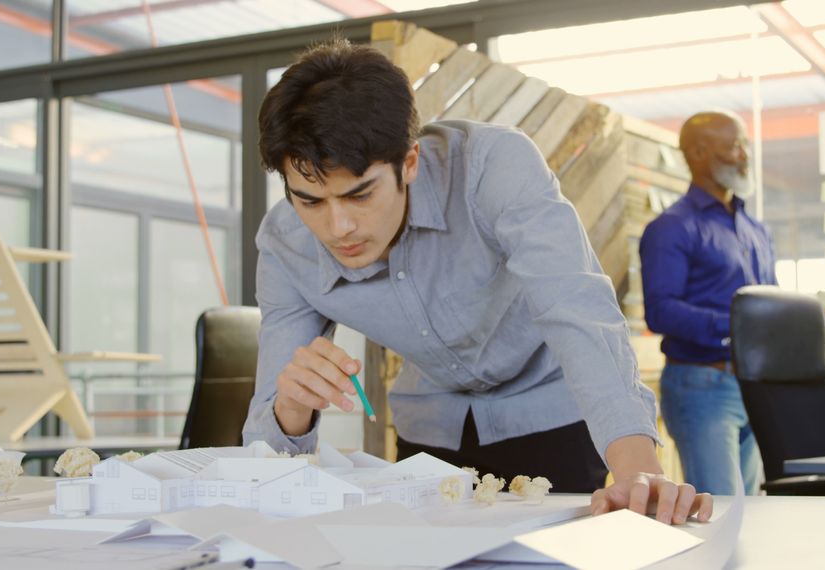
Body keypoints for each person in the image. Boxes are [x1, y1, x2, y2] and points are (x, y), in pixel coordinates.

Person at [241, 37, 712, 523]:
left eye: (360, 195)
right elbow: (266, 448)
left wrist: (638, 471)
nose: (338, 228)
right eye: (310, 201)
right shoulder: (284, 245)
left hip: (549, 413)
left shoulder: (492, 166)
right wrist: (291, 407)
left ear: (409, 162)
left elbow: (577, 309)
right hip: (430, 428)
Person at [638, 111, 774, 495]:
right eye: (733, 146)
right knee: (722, 509)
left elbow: (768, 297)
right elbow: (661, 310)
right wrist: (737, 326)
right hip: (701, 384)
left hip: (753, 383)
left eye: (744, 145)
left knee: (751, 510)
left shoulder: (755, 228)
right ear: (698, 154)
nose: (744, 155)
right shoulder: (671, 228)